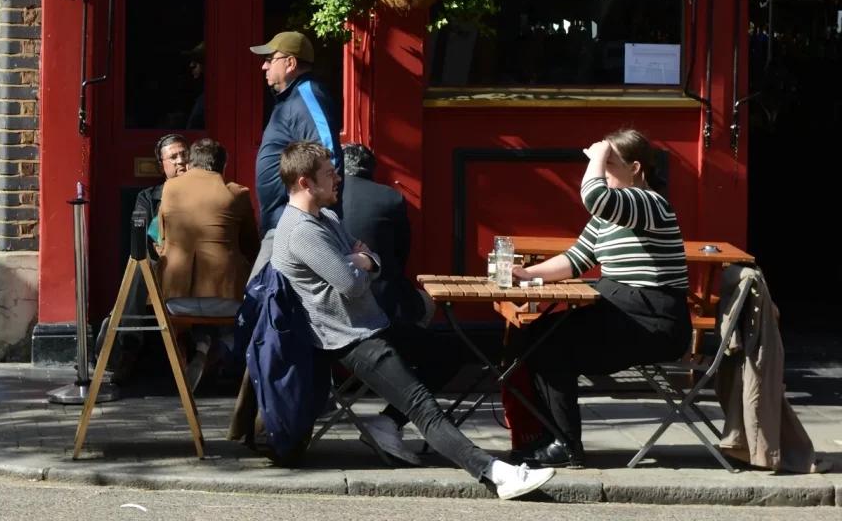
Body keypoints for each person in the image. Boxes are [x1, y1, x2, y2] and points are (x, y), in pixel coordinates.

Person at [271, 140, 556, 501]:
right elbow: (351, 284)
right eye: (329, 174)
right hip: (347, 336)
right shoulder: (302, 231)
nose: (338, 178)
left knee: (450, 352)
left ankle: (386, 421)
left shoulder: (325, 217)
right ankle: (496, 474)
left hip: (371, 322)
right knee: (422, 404)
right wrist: (360, 264)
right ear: (304, 183)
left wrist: (364, 262)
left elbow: (367, 258)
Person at [509, 129, 692, 466]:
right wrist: (527, 275)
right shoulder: (611, 214)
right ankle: (549, 437)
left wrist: (596, 153)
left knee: (550, 345)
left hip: (654, 321)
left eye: (610, 163)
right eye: (602, 163)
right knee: (534, 339)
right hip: (623, 312)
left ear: (635, 167)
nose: (602, 169)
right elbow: (576, 258)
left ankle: (566, 446)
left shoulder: (647, 203)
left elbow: (594, 196)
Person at [158, 137, 259, 389]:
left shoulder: (170, 189)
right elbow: (252, 247)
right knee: (241, 301)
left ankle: (203, 348)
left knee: (202, 305)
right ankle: (225, 354)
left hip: (176, 300)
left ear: (191, 164)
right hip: (227, 302)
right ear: (223, 167)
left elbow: (162, 237)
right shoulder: (237, 194)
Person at [95, 132, 189, 384]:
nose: (181, 161)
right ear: (162, 165)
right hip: (161, 262)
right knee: (139, 269)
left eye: (184, 155)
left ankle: (116, 324)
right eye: (174, 157)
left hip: (194, 262)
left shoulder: (202, 192)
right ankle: (127, 345)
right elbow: (141, 236)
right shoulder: (148, 197)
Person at [250, 31, 343, 248]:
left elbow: (328, 154)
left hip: (298, 228)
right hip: (285, 223)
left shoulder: (307, 96)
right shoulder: (293, 99)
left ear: (290, 62)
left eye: (269, 60)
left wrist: (318, 219)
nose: (264, 67)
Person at [340, 142, 433, 328]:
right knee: (428, 304)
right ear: (371, 168)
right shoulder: (391, 197)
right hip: (384, 298)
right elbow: (401, 253)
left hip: (338, 301)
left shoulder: (326, 199)